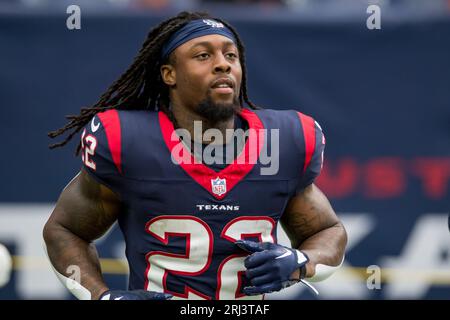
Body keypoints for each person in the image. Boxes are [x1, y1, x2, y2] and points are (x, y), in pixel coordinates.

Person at [43, 11, 347, 300]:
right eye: (203, 55)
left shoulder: (284, 141)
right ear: (169, 74)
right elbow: (65, 230)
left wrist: (301, 261)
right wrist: (103, 295)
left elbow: (328, 231)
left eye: (231, 55)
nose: (223, 65)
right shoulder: (127, 140)